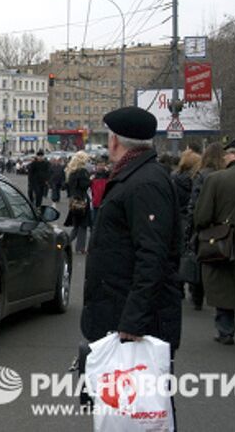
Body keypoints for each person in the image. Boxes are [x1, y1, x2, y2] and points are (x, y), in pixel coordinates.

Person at [81, 106, 182, 353]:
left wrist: (134, 319)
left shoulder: (144, 183)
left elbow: (152, 255)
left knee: (139, 390)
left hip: (134, 324)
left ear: (115, 141)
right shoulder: (136, 175)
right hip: (119, 312)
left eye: (108, 136)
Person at [194, 138, 235, 347]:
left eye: (228, 154)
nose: (225, 157)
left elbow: (202, 215)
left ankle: (225, 330)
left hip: (222, 238)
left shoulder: (216, 179)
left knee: (222, 282)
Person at [185, 142, 225, 309]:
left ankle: (198, 295)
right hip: (224, 226)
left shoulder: (201, 175)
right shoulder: (225, 174)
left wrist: (191, 226)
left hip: (204, 225)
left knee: (200, 260)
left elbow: (194, 204)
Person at [64, 151, 91, 254]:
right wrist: (91, 180)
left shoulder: (71, 172)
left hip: (73, 200)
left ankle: (65, 243)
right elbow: (84, 185)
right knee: (83, 225)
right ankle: (80, 248)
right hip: (82, 200)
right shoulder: (82, 172)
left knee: (76, 225)